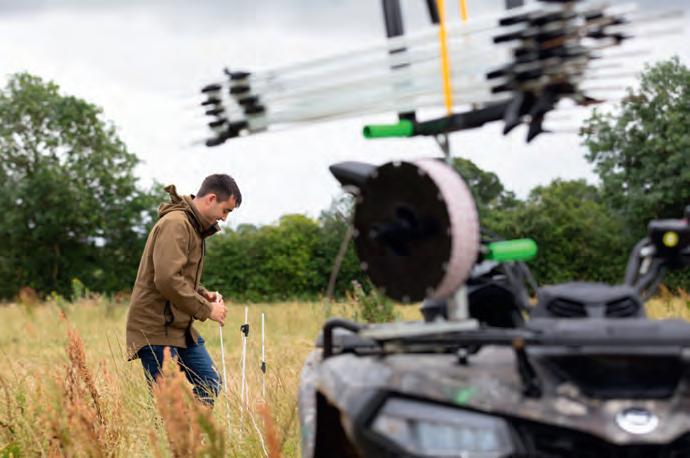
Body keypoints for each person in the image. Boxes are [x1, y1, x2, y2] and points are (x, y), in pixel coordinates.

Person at [125, 174, 242, 406]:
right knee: (168, 403)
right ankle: (172, 430)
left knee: (209, 382)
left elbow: (180, 276)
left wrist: (202, 293)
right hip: (156, 328)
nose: (225, 218)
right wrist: (207, 309)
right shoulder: (176, 224)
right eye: (226, 210)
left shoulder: (192, 226)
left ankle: (191, 429)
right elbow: (167, 280)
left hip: (179, 328)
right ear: (211, 199)